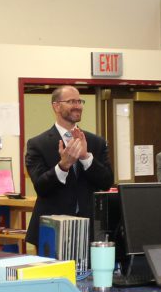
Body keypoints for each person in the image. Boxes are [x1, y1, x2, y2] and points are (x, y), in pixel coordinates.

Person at [24, 86, 113, 248]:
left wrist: (86, 158)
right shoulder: (37, 144)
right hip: (52, 230)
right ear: (56, 106)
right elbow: (41, 187)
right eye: (71, 101)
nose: (78, 106)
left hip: (90, 231)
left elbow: (107, 182)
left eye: (80, 101)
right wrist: (63, 166)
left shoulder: (96, 142)